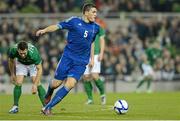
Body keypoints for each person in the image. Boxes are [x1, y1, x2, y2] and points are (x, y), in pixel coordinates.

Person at [36, 3, 100, 115]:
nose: (96, 14)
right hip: (68, 57)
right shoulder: (74, 21)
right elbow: (57, 26)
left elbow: (92, 42)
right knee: (56, 84)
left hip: (81, 62)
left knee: (70, 84)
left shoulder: (96, 27)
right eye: (93, 12)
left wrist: (92, 58)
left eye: (96, 12)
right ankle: (49, 93)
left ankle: (48, 107)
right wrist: (45, 30)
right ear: (86, 12)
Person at [8, 41, 46, 113]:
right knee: (18, 82)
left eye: (24, 53)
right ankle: (15, 107)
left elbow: (40, 69)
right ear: (18, 50)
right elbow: (11, 61)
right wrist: (12, 74)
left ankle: (46, 107)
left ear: (27, 49)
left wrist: (34, 84)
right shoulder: (13, 50)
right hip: (21, 63)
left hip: (32, 64)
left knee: (37, 84)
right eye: (21, 53)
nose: (22, 55)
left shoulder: (33, 53)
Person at [83, 22, 106, 105]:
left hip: (96, 54)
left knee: (94, 75)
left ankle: (102, 94)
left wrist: (101, 53)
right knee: (86, 77)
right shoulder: (83, 26)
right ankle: (90, 99)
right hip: (85, 54)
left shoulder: (98, 27)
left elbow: (102, 40)